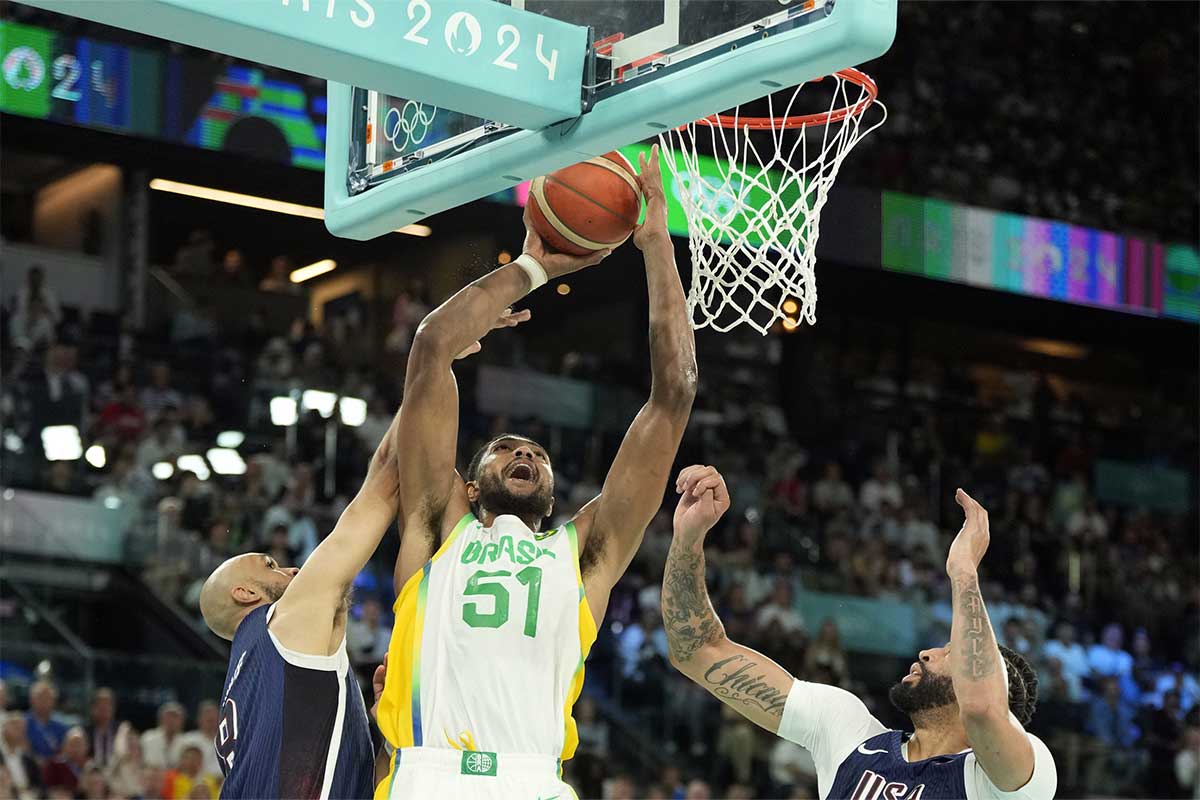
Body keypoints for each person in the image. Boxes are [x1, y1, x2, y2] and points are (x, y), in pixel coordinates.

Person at [375, 145, 696, 798]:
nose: (525, 456)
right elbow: (433, 347)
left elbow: (675, 394)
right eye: (508, 449)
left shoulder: (584, 555)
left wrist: (658, 243)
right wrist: (532, 266)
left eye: (539, 457)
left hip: (534, 782)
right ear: (468, 484)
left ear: (551, 499)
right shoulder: (437, 525)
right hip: (428, 775)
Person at [198, 312, 525, 799]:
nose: (288, 567)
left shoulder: (252, 682)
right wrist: (435, 364)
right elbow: (386, 478)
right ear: (246, 593)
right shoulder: (283, 621)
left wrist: (368, 729)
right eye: (268, 566)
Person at [662, 466, 1056, 799]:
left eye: (950, 653)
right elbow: (696, 651)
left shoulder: (1010, 782)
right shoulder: (848, 730)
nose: (926, 654)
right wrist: (688, 538)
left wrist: (964, 571)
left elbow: (983, 709)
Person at [0, 712, 44, 800]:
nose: (19, 730)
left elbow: (38, 785)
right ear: (3, 728)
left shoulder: (28, 758)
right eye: (15, 726)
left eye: (21, 728)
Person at [24, 681, 69, 762]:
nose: (44, 701)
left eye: (48, 698)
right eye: (40, 697)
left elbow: (64, 753)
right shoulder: (23, 724)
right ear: (32, 700)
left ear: (54, 701)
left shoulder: (61, 727)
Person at [140, 702, 186, 769]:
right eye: (168, 716)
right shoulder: (148, 737)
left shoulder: (187, 742)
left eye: (175, 717)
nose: (171, 720)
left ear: (182, 721)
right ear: (161, 718)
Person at [84, 688, 118, 769]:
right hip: (91, 776)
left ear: (113, 708)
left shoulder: (121, 731)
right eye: (100, 704)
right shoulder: (84, 732)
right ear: (93, 709)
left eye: (107, 704)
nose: (104, 708)